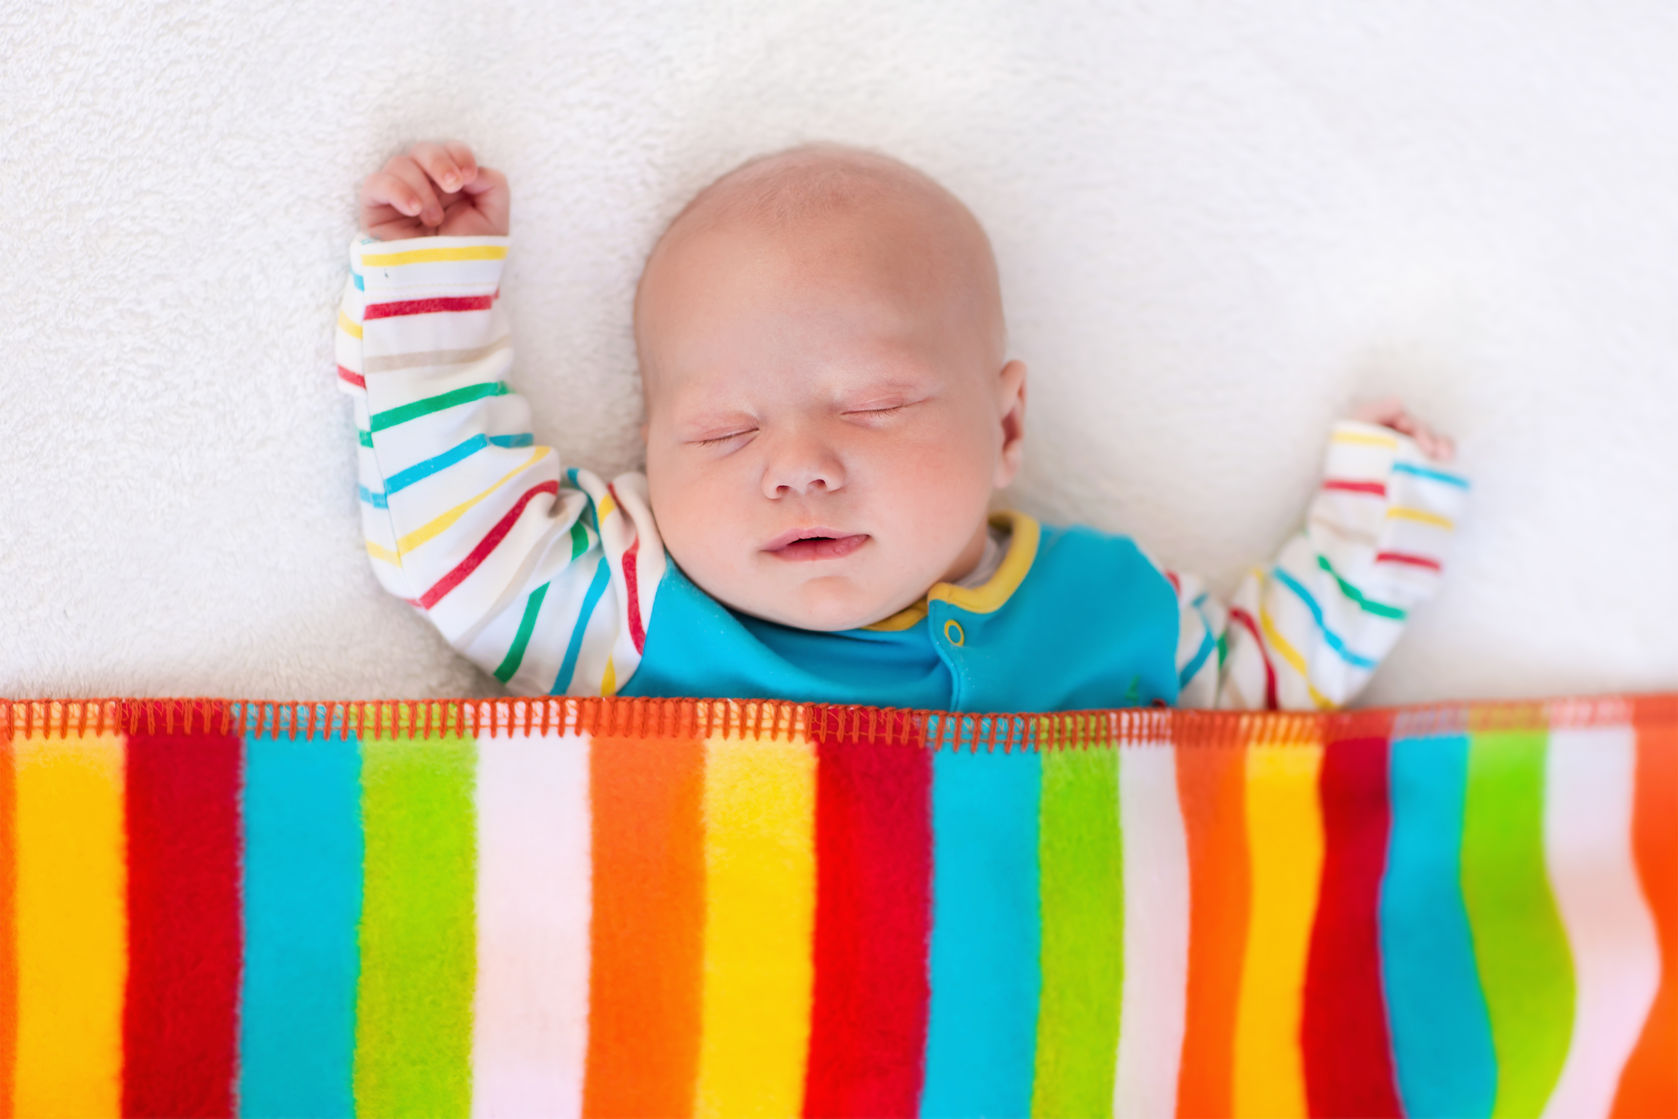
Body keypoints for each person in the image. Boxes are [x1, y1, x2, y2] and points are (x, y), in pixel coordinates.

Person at [334, 138, 1467, 711]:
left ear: (1007, 424)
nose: (798, 466)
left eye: (873, 405)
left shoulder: (1111, 611)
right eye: (724, 430)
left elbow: (1267, 679)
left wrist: (1381, 523)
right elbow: (449, 526)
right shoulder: (626, 608)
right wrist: (433, 277)